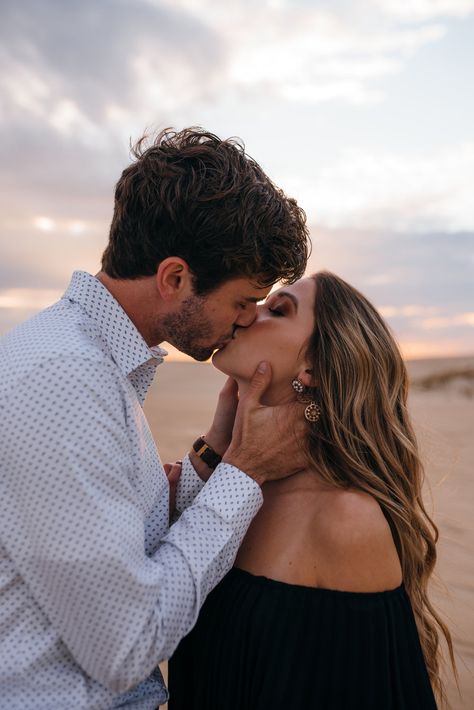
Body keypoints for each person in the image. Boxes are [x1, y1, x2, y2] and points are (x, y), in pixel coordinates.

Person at [0, 128, 310, 709]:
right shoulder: (65, 379)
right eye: (244, 300)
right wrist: (245, 473)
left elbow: (119, 550)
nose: (247, 320)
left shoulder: (93, 365)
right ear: (174, 278)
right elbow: (126, 646)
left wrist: (216, 451)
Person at [168, 272, 456, 710]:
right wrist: (215, 451)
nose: (248, 314)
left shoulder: (344, 519)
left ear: (315, 368)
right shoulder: (232, 488)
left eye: (277, 309)